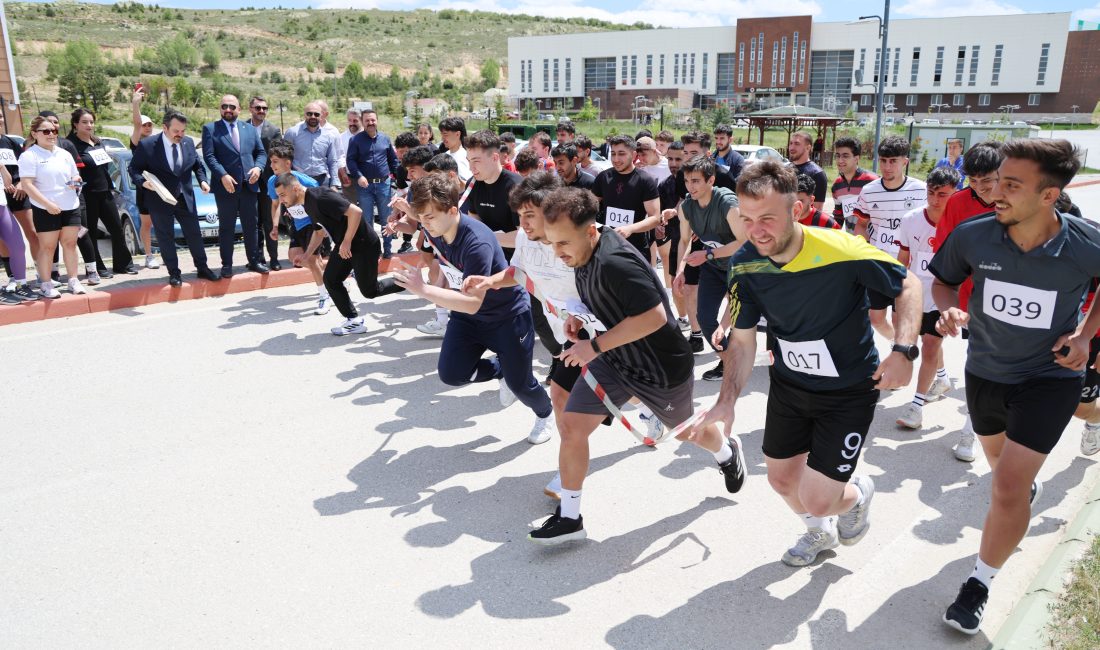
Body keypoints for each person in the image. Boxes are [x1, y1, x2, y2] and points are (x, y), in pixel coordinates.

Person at [703, 160, 921, 566]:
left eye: (767, 218)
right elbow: (744, 340)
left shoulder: (842, 250)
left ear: (797, 211)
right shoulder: (744, 264)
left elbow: (908, 283)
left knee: (819, 498)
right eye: (747, 220)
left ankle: (857, 495)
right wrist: (727, 398)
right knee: (781, 479)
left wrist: (904, 350)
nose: (756, 231)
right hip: (789, 386)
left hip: (849, 390)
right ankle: (818, 534)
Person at [931, 139, 1100, 636]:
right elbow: (942, 280)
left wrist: (1086, 334)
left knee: (1004, 488)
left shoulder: (1085, 242)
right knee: (1006, 474)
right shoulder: (974, 236)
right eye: (997, 181)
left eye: (1011, 185)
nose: (995, 193)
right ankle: (1021, 494)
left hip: (1050, 377)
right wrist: (947, 307)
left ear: (1049, 196)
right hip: (985, 373)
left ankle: (979, 582)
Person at [528, 186, 747, 545]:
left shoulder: (613, 262)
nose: (557, 253)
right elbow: (608, 301)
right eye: (552, 243)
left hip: (660, 367)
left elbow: (653, 317)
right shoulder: (584, 252)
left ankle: (726, 451)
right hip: (615, 359)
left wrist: (593, 346)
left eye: (563, 243)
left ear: (590, 231)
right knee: (571, 426)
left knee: (688, 432)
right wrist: (581, 318)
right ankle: (570, 517)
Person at [391, 173, 556, 445]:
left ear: (453, 210)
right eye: (421, 217)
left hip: (507, 316)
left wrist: (423, 289)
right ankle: (499, 369)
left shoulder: (475, 242)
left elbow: (473, 302)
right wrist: (410, 212)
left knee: (521, 385)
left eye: (429, 216)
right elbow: (425, 217)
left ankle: (545, 413)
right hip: (468, 319)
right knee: (452, 374)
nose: (425, 222)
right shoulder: (437, 227)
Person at [932, 141, 1005, 462]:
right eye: (973, 182)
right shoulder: (958, 203)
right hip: (973, 300)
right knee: (983, 363)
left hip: (1017, 298)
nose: (982, 189)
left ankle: (978, 427)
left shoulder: (1019, 201)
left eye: (987, 181)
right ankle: (971, 429)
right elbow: (945, 253)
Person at [275, 173, 403, 336]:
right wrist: (307, 255)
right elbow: (319, 231)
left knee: (370, 291)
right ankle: (353, 321)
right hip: (345, 246)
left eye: (283, 195)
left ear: (295, 188)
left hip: (364, 244)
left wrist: (347, 241)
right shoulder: (307, 204)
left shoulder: (321, 197)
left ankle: (407, 282)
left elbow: (356, 212)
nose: (281, 200)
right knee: (331, 279)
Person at [894, 166, 962, 430]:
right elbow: (903, 258)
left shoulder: (961, 223)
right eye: (931, 192)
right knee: (925, 341)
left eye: (942, 194)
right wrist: (897, 293)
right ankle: (942, 377)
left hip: (944, 294)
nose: (934, 199)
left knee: (931, 345)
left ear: (955, 193)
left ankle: (916, 407)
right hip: (915, 294)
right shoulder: (911, 219)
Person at [672, 155, 742, 382]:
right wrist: (681, 270)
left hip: (740, 265)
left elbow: (744, 242)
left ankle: (732, 363)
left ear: (710, 180)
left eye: (695, 181)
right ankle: (729, 360)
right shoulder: (687, 207)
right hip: (712, 266)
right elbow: (684, 241)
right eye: (686, 181)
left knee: (739, 318)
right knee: (704, 318)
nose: (690, 187)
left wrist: (708, 254)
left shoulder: (727, 203)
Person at [130, 111, 220, 287]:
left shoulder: (187, 142)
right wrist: (143, 182)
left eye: (183, 131)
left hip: (185, 198)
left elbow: (197, 164)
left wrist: (202, 181)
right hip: (159, 199)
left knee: (194, 234)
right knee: (165, 236)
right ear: (164, 128)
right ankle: (174, 273)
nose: (180, 135)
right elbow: (133, 169)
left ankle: (202, 267)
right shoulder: (148, 145)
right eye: (176, 131)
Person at [853, 135, 927, 340]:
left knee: (898, 318)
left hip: (906, 266)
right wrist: (862, 251)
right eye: (883, 160)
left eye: (893, 161)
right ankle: (898, 344)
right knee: (876, 319)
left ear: (905, 161)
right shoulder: (869, 191)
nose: (887, 166)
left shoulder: (921, 190)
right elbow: (861, 225)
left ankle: (901, 352)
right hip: (879, 264)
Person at [201, 94, 269, 278]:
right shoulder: (210, 129)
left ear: (239, 109)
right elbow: (209, 156)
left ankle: (254, 261)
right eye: (224, 106)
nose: (228, 110)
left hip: (249, 186)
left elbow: (261, 153)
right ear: (220, 109)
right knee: (226, 227)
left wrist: (258, 167)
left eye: (232, 106)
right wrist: (222, 175)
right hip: (226, 187)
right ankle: (227, 265)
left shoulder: (249, 129)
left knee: (251, 226)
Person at [19, 115, 86, 298]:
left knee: (70, 244)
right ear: (35, 134)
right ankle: (46, 284)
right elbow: (27, 185)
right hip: (45, 208)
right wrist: (47, 204)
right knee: (47, 247)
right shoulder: (29, 155)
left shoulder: (64, 154)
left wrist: (75, 180)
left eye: (54, 131)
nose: (51, 134)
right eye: (46, 131)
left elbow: (75, 175)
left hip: (70, 205)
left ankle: (73, 280)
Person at [67, 108, 138, 278]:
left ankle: (123, 264)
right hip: (86, 194)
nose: (89, 125)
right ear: (75, 124)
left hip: (105, 192)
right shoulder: (71, 145)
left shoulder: (98, 142)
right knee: (90, 233)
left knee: (116, 228)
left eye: (91, 122)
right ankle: (97, 267)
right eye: (84, 122)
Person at [266, 139, 327, 315]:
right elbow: (276, 204)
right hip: (296, 224)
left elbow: (318, 196)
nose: (272, 165)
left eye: (275, 161)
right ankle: (335, 276)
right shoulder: (272, 181)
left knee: (311, 260)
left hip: (312, 223)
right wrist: (275, 226)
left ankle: (324, 295)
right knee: (295, 256)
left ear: (288, 163)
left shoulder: (303, 180)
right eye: (271, 161)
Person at [591, 135, 661, 259]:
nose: (616, 159)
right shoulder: (603, 177)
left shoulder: (645, 180)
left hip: (635, 249)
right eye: (613, 154)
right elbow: (589, 206)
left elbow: (655, 218)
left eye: (621, 154)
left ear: (634, 155)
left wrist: (630, 229)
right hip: (607, 247)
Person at [347, 110, 399, 259]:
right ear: (362, 122)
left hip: (384, 185)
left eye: (373, 120)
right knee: (367, 221)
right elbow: (351, 161)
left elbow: (393, 161)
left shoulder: (385, 139)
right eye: (367, 121)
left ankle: (387, 250)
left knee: (386, 219)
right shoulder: (356, 140)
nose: (370, 123)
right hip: (365, 187)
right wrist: (359, 176)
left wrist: (397, 180)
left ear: (377, 120)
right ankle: (372, 251)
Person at [0, 111, 37, 295]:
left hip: (17, 195)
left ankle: (40, 273)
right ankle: (13, 277)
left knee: (30, 234)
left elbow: (25, 167)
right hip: (2, 197)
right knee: (3, 242)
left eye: (0, 115)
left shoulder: (12, 142)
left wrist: (22, 183)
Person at [247, 96, 283, 270]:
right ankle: (257, 257)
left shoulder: (273, 130)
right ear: (250, 109)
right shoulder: (243, 127)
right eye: (258, 108)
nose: (261, 111)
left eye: (264, 108)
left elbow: (278, 156)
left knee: (269, 221)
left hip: (267, 183)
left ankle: (274, 258)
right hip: (248, 183)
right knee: (254, 222)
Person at [129, 90, 159, 268]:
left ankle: (166, 251)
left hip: (160, 188)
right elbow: (137, 123)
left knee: (163, 222)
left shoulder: (158, 142)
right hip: (145, 188)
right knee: (146, 223)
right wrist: (135, 104)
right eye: (144, 124)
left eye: (150, 124)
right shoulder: (136, 142)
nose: (146, 127)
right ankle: (148, 255)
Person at [283, 102, 341, 188]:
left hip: (322, 181)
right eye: (309, 114)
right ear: (304, 115)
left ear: (321, 116)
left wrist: (334, 184)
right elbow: (284, 157)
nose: (313, 116)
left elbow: (332, 161)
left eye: (316, 114)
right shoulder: (292, 133)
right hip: (298, 180)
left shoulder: (328, 136)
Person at [831, 136, 878, 233]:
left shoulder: (873, 181)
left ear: (856, 158)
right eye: (838, 155)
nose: (840, 160)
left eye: (845, 156)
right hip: (853, 244)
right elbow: (838, 218)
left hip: (873, 244)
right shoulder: (837, 185)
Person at [391, 131, 421, 254]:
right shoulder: (400, 169)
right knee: (421, 245)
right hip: (416, 209)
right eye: (398, 151)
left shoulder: (428, 165)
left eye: (403, 152)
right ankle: (407, 241)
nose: (400, 155)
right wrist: (395, 214)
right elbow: (403, 194)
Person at [787, 132, 827, 210]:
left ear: (808, 148)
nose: (792, 147)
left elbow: (817, 210)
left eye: (797, 144)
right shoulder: (784, 170)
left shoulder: (817, 174)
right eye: (791, 143)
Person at [337, 107, 363, 205]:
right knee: (350, 207)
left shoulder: (367, 136)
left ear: (361, 120)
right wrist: (343, 175)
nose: (352, 123)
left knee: (366, 208)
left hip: (365, 177)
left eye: (355, 120)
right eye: (349, 120)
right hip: (348, 178)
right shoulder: (341, 137)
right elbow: (339, 157)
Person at [437, 117, 471, 181]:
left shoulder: (462, 157)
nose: (442, 138)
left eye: (445, 134)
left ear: (458, 134)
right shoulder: (446, 154)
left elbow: (465, 184)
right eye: (441, 134)